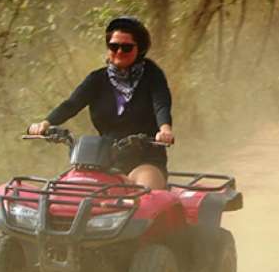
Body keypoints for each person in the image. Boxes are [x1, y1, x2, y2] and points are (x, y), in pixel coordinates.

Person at [28, 16, 175, 190]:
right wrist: (45, 123)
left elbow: (161, 104)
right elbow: (71, 104)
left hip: (146, 159)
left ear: (140, 49)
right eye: (114, 46)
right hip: (105, 162)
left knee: (144, 195)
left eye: (126, 47)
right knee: (72, 194)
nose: (119, 51)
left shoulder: (152, 75)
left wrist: (165, 129)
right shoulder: (97, 79)